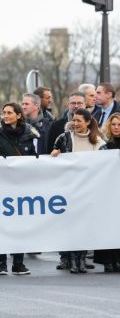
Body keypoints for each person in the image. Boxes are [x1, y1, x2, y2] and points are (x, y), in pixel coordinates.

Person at [0, 102, 39, 276]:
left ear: (19, 115)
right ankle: (2, 264)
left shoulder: (30, 135)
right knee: (3, 225)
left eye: (9, 113)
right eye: (4, 113)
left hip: (22, 187)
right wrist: (1, 159)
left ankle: (18, 263)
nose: (5, 116)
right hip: (1, 186)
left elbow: (35, 158)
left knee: (19, 226)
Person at [52, 108, 106, 274]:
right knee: (72, 226)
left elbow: (104, 167)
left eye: (79, 121)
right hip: (69, 190)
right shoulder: (64, 138)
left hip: (89, 190)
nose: (75, 124)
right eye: (74, 120)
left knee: (85, 226)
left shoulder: (98, 143)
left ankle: (81, 259)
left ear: (88, 122)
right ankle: (72, 259)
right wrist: (55, 154)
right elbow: (53, 160)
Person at [96, 112, 120, 272]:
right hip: (109, 190)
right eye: (114, 124)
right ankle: (108, 260)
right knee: (109, 225)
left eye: (119, 124)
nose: (116, 127)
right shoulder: (105, 146)